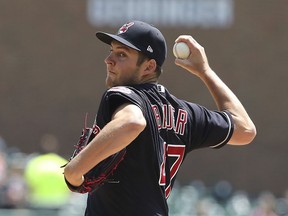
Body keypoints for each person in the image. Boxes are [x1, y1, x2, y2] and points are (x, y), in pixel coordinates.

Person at [63, 20, 256, 215]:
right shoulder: (186, 113)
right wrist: (205, 72)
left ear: (148, 67)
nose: (109, 59)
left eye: (122, 54)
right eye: (111, 51)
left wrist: (74, 170)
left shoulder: (122, 94)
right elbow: (245, 130)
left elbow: (132, 122)